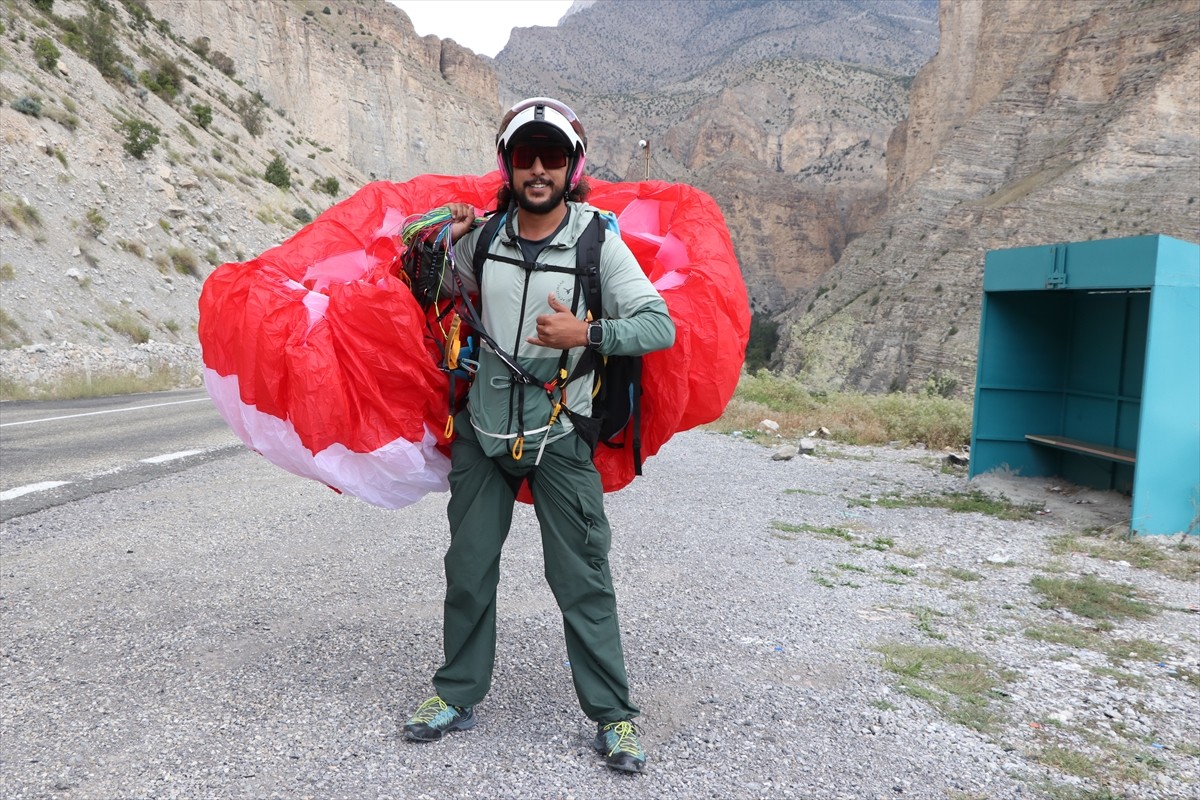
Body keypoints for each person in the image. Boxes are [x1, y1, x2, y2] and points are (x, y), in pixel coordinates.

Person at [401, 97, 675, 774]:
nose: (540, 168)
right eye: (527, 155)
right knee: (467, 569)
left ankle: (614, 718)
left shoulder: (595, 243)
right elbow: (427, 291)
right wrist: (439, 240)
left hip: (561, 436)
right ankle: (455, 694)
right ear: (509, 164)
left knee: (582, 578)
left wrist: (587, 333)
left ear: (572, 166)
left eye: (553, 156)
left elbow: (657, 324)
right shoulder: (484, 238)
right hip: (483, 434)